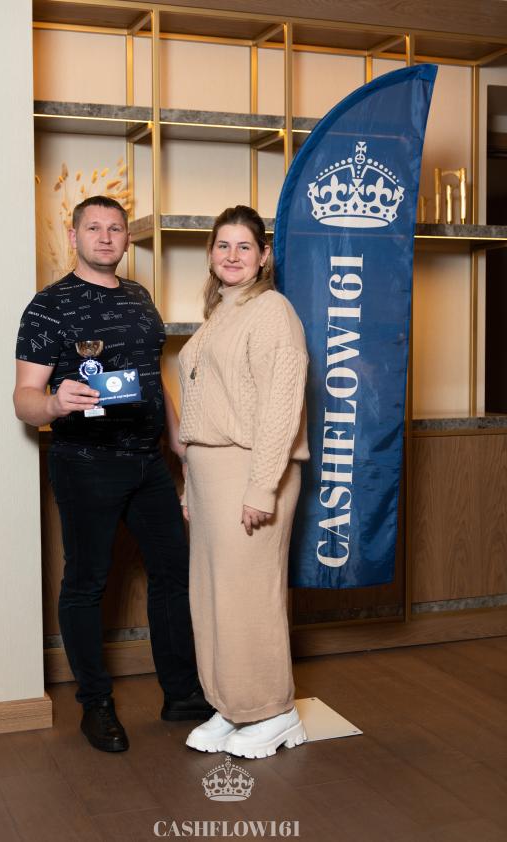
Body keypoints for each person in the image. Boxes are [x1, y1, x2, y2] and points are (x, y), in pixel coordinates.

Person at [13, 195, 211, 753]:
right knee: (86, 583)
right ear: (73, 236)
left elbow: (153, 376)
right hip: (85, 464)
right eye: (94, 228)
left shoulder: (139, 298)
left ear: (127, 238)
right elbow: (23, 398)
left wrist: (178, 439)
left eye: (115, 228)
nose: (105, 237)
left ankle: (181, 694)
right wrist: (54, 404)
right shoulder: (48, 306)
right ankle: (95, 704)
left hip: (148, 462)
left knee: (174, 573)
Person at [178, 205, 309, 760]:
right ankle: (233, 704)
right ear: (211, 254)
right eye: (223, 245)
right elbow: (201, 405)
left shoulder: (272, 311)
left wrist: (261, 487)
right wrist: (189, 481)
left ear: (264, 256)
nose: (232, 256)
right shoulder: (219, 313)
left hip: (251, 468)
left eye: (244, 247)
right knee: (213, 596)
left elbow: (280, 405)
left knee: (248, 596)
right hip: (210, 474)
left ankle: (273, 710)